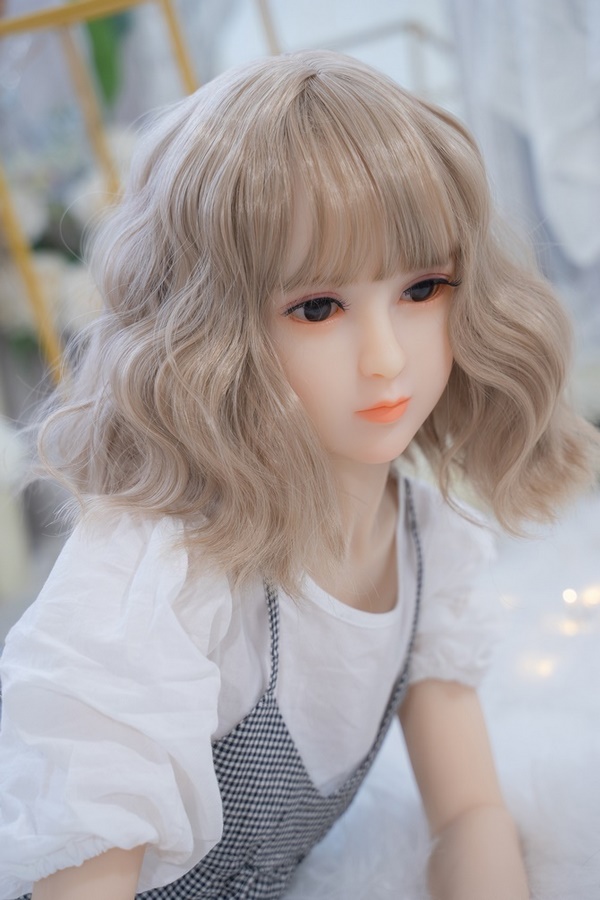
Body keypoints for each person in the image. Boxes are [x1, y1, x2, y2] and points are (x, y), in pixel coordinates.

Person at [0, 50, 598, 900]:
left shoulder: (427, 541)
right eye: (318, 308)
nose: (386, 358)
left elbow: (469, 814)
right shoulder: (162, 571)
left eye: (423, 288)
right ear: (214, 332)